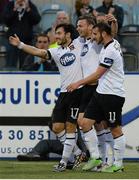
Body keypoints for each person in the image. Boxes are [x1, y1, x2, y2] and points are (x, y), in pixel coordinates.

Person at [9, 23, 84, 172]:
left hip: (78, 91)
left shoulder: (80, 43)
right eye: (56, 34)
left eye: (60, 33)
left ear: (68, 34)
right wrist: (20, 45)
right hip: (64, 93)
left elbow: (91, 32)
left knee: (70, 127)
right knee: (56, 127)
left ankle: (64, 162)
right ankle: (78, 153)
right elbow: (38, 52)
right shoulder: (56, 51)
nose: (57, 36)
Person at [67, 22, 126, 172]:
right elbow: (111, 33)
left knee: (115, 130)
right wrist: (113, 23)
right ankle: (96, 157)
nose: (92, 37)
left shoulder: (110, 51)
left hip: (113, 94)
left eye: (95, 34)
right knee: (85, 123)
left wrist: (77, 83)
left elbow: (98, 74)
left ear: (103, 34)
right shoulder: (111, 43)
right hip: (101, 93)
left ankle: (118, 164)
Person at [3, 0, 41, 70]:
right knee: (11, 61)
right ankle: (10, 75)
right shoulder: (10, 5)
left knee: (25, 62)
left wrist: (28, 9)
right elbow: (5, 20)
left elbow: (37, 19)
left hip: (27, 39)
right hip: (12, 38)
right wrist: (14, 10)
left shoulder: (30, 5)